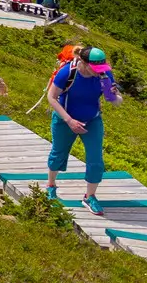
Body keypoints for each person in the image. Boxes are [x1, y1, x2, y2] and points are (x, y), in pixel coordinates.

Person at [46, 47, 122, 213]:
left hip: (92, 119)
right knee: (58, 153)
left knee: (96, 159)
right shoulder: (68, 73)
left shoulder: (104, 75)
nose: (99, 72)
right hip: (65, 119)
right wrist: (69, 120)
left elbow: (115, 101)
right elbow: (51, 97)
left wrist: (114, 96)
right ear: (84, 63)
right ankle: (51, 186)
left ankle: (90, 197)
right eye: (96, 69)